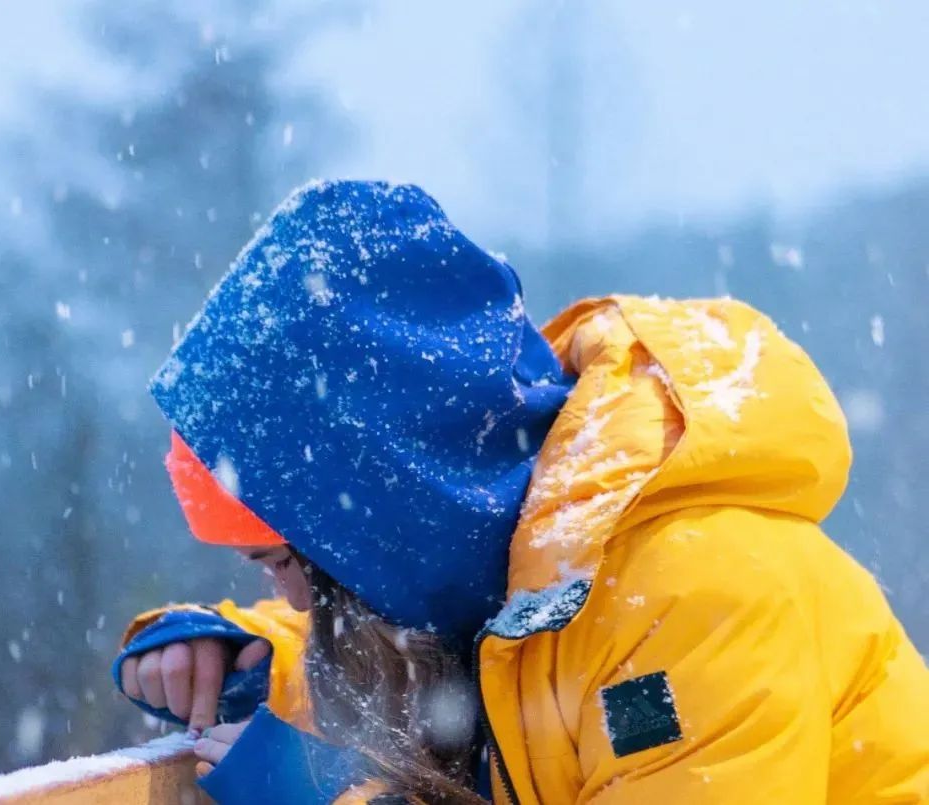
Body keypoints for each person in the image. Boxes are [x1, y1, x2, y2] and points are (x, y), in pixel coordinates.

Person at [115, 180, 929, 804]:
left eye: (279, 563)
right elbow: (463, 672)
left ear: (389, 530)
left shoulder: (693, 596)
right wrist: (251, 664)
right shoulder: (516, 580)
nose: (286, 597)